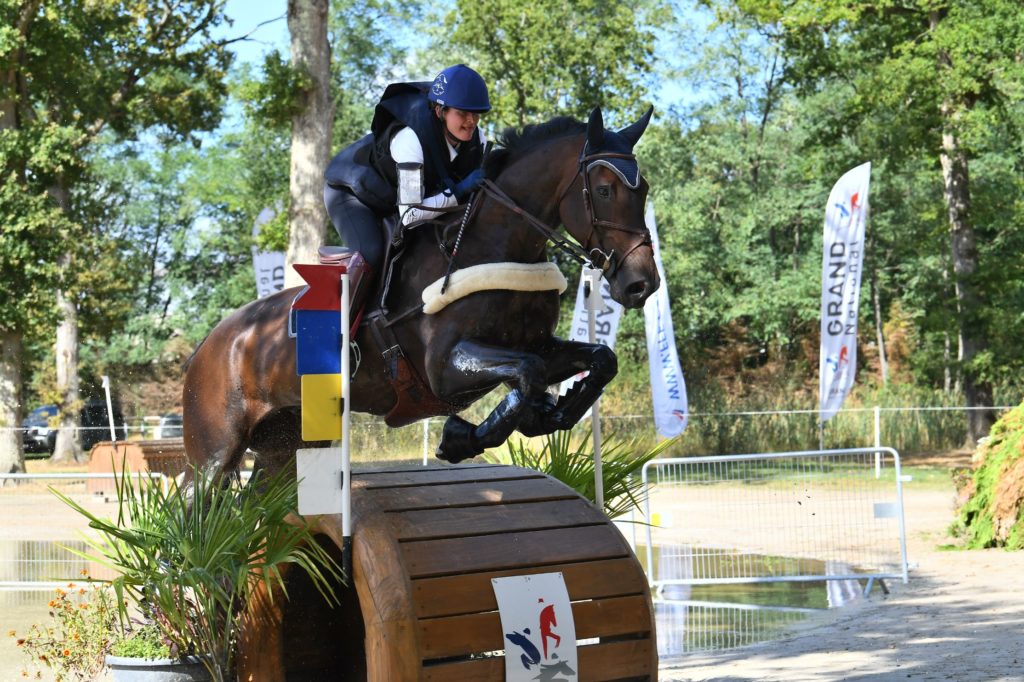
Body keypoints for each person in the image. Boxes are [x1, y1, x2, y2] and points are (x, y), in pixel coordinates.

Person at [323, 64, 491, 311]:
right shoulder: (410, 139)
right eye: (463, 114)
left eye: (476, 114)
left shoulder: (478, 139)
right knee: (371, 252)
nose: (471, 122)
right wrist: (458, 192)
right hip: (353, 193)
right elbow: (411, 215)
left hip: (397, 195)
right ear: (440, 111)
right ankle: (339, 327)